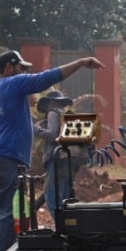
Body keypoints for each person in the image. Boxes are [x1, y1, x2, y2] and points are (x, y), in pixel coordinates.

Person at [0, 50, 104, 251]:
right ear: (8, 68)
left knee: (3, 210)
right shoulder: (12, 83)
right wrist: (81, 62)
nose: (24, 73)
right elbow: (47, 78)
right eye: (21, 68)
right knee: (8, 212)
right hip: (8, 156)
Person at [32, 89, 80, 221]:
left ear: (51, 103)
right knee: (64, 196)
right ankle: (67, 224)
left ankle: (60, 224)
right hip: (67, 159)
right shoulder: (64, 114)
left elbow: (52, 134)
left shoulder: (53, 113)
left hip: (56, 158)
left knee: (51, 195)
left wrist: (36, 130)